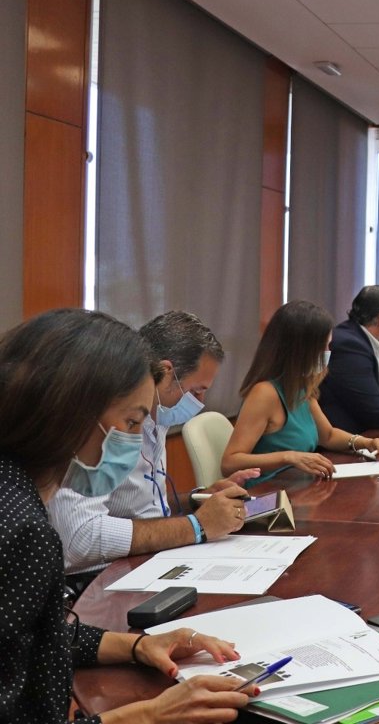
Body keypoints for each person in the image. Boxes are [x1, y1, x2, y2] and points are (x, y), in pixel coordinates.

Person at [0, 308, 256, 723]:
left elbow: (37, 636)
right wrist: (149, 715)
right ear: (71, 411)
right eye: (132, 421)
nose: (137, 440)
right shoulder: (23, 533)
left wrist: (136, 646)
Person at [48, 311, 252, 592]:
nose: (201, 402)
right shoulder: (89, 423)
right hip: (97, 580)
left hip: (144, 561)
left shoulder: (159, 415)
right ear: (166, 374)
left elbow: (146, 508)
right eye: (196, 391)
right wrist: (197, 526)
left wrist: (199, 500)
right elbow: (80, 537)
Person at [222, 300, 379, 483]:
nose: (328, 353)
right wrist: (288, 457)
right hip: (267, 491)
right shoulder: (264, 393)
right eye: (323, 347)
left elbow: (328, 435)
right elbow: (230, 462)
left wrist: (364, 442)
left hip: (298, 486)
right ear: (300, 349)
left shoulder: (301, 387)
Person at [319, 285, 379, 433]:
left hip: (367, 435)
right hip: (345, 439)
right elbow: (374, 413)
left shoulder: (375, 343)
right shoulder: (349, 345)